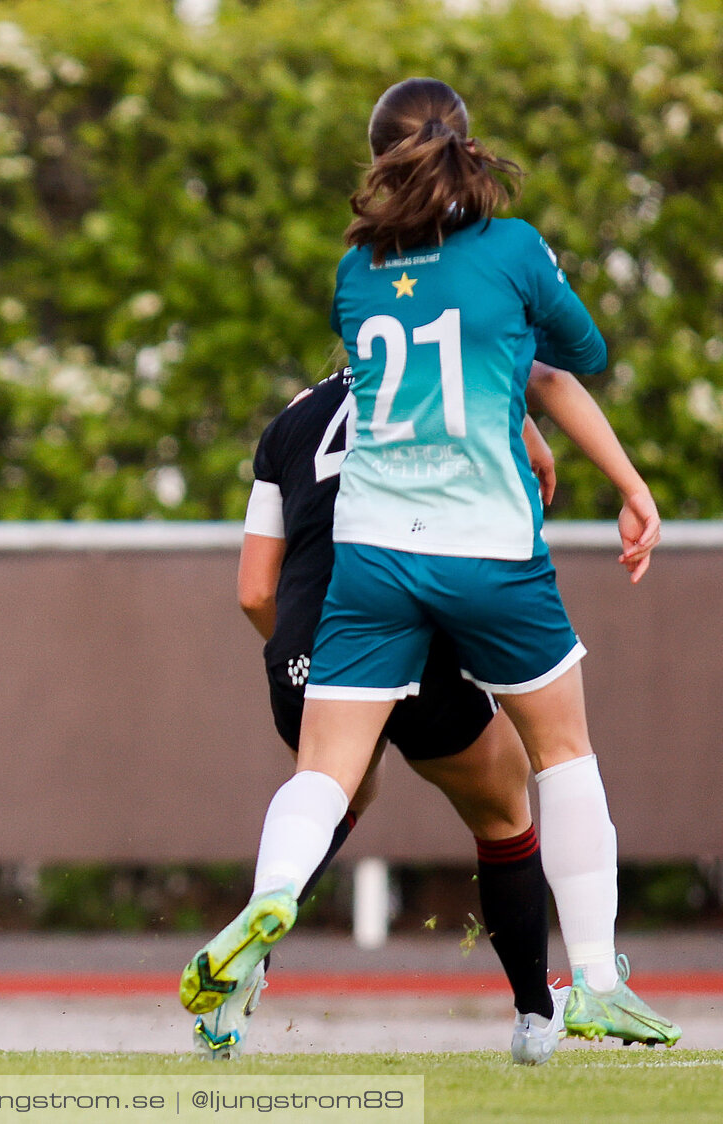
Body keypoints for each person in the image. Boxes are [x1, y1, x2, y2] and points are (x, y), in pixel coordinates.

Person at [180, 77, 679, 1052]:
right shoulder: (512, 252)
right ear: (469, 149)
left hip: (370, 561)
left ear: (378, 164)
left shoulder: (357, 270)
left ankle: (272, 896)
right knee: (561, 753)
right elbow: (567, 354)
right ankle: (592, 980)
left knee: (325, 770)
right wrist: (621, 479)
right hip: (487, 548)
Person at [197, 360, 628, 1065]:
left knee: (332, 790)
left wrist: (318, 661)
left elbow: (253, 592)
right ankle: (534, 1014)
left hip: (307, 649)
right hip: (411, 629)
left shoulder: (290, 422)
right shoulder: (447, 391)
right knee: (503, 807)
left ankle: (252, 947)